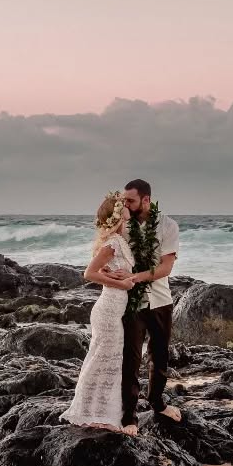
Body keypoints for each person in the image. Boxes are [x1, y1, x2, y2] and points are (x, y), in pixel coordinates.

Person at [61, 191, 137, 430]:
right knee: (102, 360)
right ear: (116, 215)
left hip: (115, 309)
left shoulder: (120, 239)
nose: (127, 208)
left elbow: (103, 271)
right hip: (107, 310)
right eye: (122, 206)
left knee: (110, 360)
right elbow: (88, 273)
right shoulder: (113, 242)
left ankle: (103, 414)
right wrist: (120, 283)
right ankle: (92, 413)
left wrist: (112, 276)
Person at [117, 178, 183, 435]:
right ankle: (129, 415)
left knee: (160, 355)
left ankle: (157, 401)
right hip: (131, 301)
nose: (127, 204)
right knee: (130, 359)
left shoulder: (167, 225)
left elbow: (166, 268)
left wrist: (136, 277)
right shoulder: (123, 226)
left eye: (130, 200)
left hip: (160, 300)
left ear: (146, 200)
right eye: (124, 200)